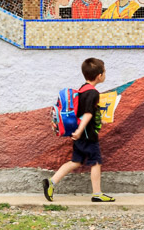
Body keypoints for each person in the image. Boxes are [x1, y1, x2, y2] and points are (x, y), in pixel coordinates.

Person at [43, 58, 115, 203]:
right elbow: (87, 113)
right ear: (99, 76)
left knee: (75, 161)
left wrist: (98, 120)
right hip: (88, 135)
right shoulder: (94, 93)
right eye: (104, 72)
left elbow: (85, 112)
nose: (105, 74)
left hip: (80, 134)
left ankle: (52, 182)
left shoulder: (82, 90)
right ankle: (97, 194)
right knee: (96, 162)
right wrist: (81, 130)